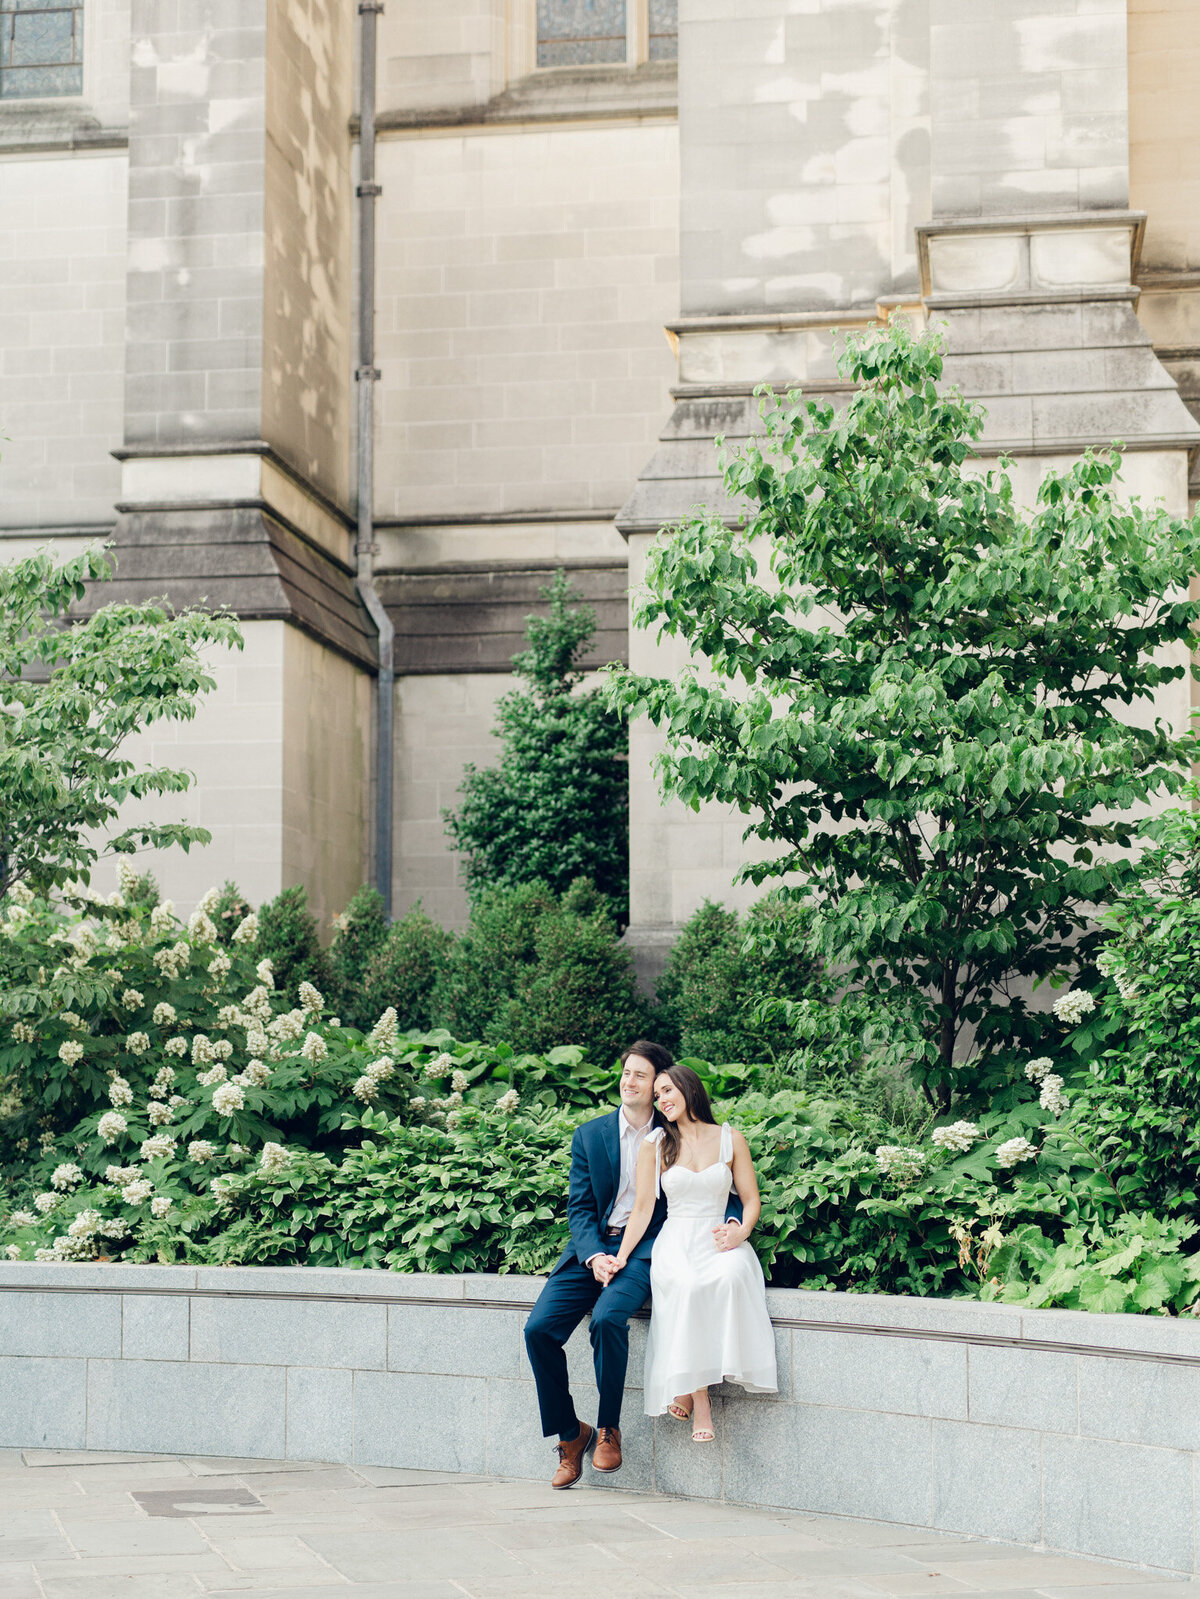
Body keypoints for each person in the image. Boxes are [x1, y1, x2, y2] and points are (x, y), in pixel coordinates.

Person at [523, 1039, 744, 1488]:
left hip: (647, 1249)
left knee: (607, 1320)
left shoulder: (677, 1132)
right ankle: (571, 1434)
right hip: (590, 1250)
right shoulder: (590, 1135)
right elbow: (580, 1208)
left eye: (641, 1075)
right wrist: (594, 1255)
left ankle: (607, 1430)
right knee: (538, 1330)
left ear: (660, 1083)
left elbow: (724, 1186)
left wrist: (732, 1224)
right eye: (626, 1073)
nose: (630, 1081)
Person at [612, 1061, 777, 1441]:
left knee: (732, 1275)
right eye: (658, 1096)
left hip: (718, 1236)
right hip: (677, 1241)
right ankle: (701, 1402)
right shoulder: (655, 1144)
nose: (661, 1100)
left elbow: (751, 1200)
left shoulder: (729, 1138)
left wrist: (741, 1231)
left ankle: (688, 1386)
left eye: (667, 1090)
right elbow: (642, 1209)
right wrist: (622, 1255)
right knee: (686, 1286)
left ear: (689, 1088)